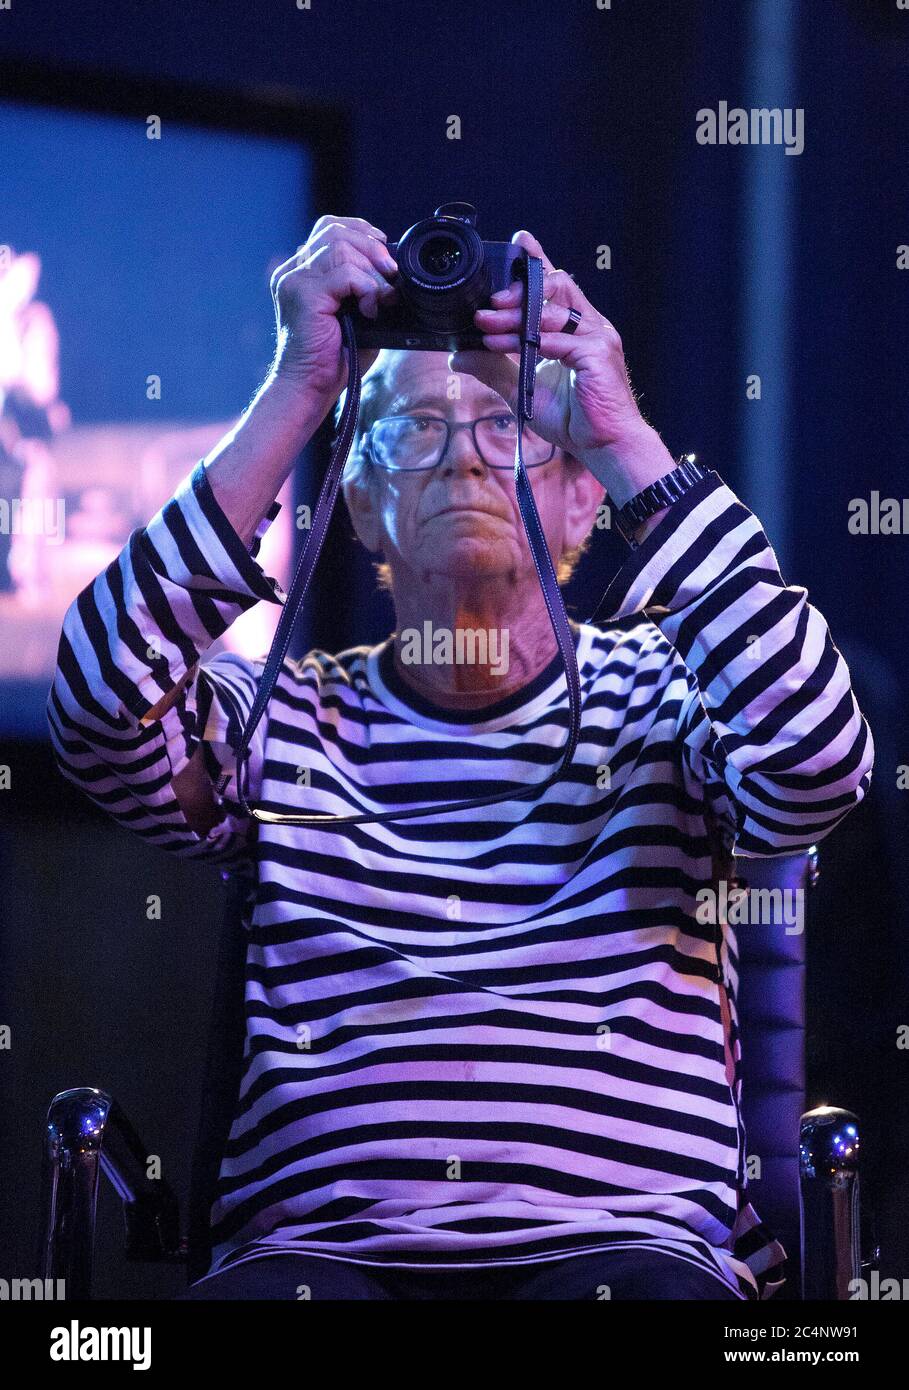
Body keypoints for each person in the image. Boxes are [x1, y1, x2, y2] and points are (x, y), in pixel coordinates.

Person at [47, 215, 873, 1300]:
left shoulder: (673, 699)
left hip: (624, 1248)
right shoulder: (279, 716)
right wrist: (298, 390)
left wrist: (624, 434)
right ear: (361, 504)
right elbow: (97, 712)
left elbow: (818, 759)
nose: (463, 458)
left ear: (587, 499)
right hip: (319, 1261)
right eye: (414, 432)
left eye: (513, 426)